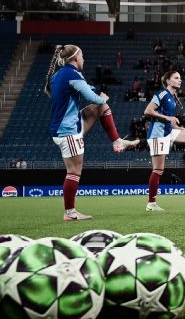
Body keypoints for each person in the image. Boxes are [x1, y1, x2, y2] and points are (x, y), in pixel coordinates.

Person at [45, 43, 140, 222]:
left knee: (100, 108)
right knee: (74, 171)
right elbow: (91, 97)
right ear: (75, 58)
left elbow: (83, 90)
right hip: (68, 130)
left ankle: (117, 141)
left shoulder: (59, 75)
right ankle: (69, 212)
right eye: (82, 56)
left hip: (65, 126)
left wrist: (98, 98)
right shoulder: (72, 74)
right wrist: (101, 97)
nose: (84, 59)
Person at [141, 70, 185, 212]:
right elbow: (148, 111)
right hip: (157, 134)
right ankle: (151, 204)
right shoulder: (162, 94)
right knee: (158, 170)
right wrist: (168, 118)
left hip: (168, 131)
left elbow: (168, 119)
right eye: (176, 78)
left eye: (180, 78)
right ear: (168, 81)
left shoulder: (172, 97)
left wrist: (178, 127)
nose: (180, 80)